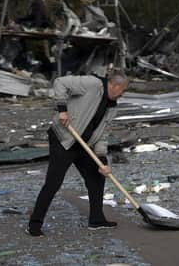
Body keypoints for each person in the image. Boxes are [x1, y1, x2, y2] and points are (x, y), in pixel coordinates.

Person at [27, 72, 129, 237]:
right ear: (115, 85)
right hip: (64, 139)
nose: (123, 94)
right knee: (53, 182)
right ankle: (34, 224)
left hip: (84, 145)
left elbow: (103, 134)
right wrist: (62, 110)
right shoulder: (92, 84)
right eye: (123, 90)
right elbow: (60, 82)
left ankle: (96, 220)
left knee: (97, 177)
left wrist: (102, 160)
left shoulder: (112, 107)